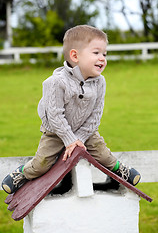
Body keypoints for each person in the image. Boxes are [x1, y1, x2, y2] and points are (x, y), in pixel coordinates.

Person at [1, 25, 141, 194]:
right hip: (56, 132)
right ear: (75, 55)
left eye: (105, 54)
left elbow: (96, 115)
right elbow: (54, 115)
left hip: (85, 131)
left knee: (103, 154)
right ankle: (22, 173)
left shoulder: (100, 82)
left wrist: (79, 140)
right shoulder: (55, 82)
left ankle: (121, 170)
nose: (102, 58)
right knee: (42, 164)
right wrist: (69, 140)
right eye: (96, 53)